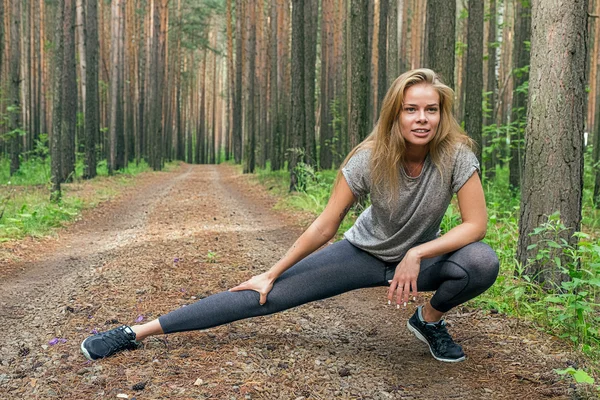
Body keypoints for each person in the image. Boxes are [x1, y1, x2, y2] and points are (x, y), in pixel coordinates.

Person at [81, 68, 499, 363]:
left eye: (431, 109)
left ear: (442, 114)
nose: (421, 118)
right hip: (362, 254)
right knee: (264, 296)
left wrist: (416, 253)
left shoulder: (456, 156)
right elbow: (325, 225)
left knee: (480, 262)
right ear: (396, 114)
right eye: (411, 109)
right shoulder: (369, 158)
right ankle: (134, 332)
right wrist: (272, 270)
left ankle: (429, 322)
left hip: (421, 263)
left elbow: (474, 225)